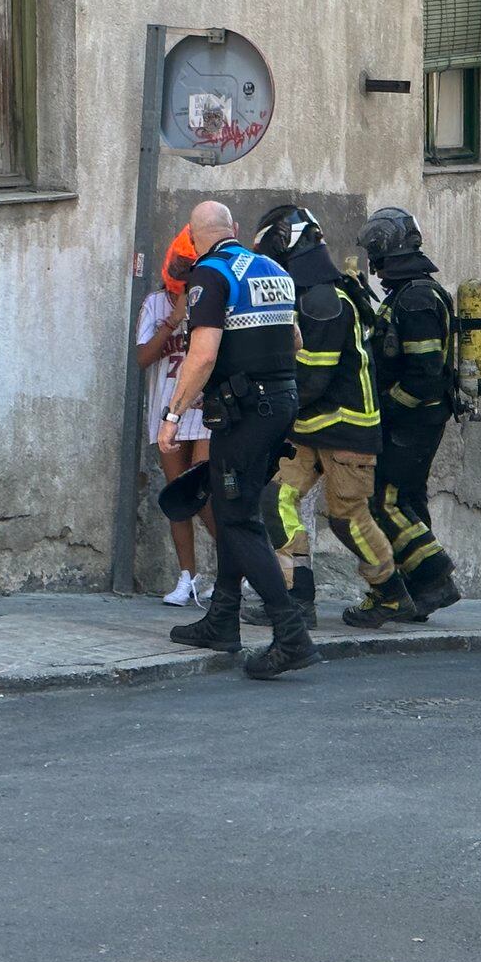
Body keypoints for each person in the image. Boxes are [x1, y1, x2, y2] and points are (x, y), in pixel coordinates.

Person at [163, 200, 321, 680]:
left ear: (194, 238)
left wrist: (173, 414)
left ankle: (290, 634)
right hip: (281, 404)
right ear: (233, 228)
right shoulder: (273, 269)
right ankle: (223, 619)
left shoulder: (209, 276)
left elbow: (203, 356)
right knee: (238, 508)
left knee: (237, 519)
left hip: (244, 413)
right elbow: (294, 340)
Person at [251, 205, 423, 629]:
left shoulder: (324, 300)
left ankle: (390, 594)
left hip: (346, 426)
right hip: (311, 427)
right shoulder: (314, 293)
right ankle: (297, 596)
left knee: (347, 519)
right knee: (276, 498)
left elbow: (312, 379)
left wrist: (268, 404)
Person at [358, 207, 466, 620]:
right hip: (417, 420)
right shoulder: (409, 294)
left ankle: (435, 578)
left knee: (384, 502)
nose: (374, 265)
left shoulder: (417, 298)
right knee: (408, 499)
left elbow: (422, 376)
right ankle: (419, 591)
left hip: (413, 421)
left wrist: (386, 413)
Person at [136, 225, 213, 606]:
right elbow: (142, 359)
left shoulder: (212, 297)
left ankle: (237, 568)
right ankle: (188, 576)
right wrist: (173, 320)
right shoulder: (154, 303)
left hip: (202, 409)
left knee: (206, 494)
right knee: (177, 496)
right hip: (166, 406)